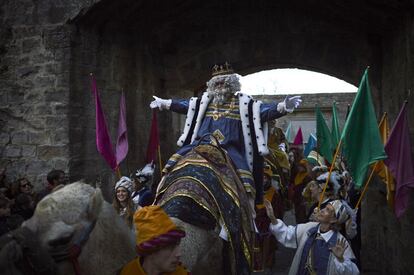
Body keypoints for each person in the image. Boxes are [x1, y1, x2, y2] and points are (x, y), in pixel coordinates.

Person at [150, 63, 302, 204]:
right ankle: (160, 199)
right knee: (173, 167)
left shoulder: (245, 104)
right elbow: (185, 105)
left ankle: (248, 215)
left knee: (245, 183)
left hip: (230, 150)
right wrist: (165, 103)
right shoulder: (204, 102)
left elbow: (262, 111)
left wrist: (282, 106)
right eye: (216, 83)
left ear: (231, 84)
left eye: (223, 82)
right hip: (200, 146)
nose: (220, 86)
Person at [265, 199, 359, 275]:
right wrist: (272, 217)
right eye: (325, 207)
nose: (322, 210)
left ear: (334, 219)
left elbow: (353, 272)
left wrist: (341, 259)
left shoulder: (340, 242)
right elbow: (287, 234)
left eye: (328, 210)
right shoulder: (309, 228)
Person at [120, 205, 189, 275]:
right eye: (170, 247)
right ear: (150, 250)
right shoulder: (128, 272)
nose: (179, 254)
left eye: (178, 244)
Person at [253, 164, 284, 271]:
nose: (263, 180)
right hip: (256, 226)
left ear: (269, 179)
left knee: (268, 249)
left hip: (268, 226)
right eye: (261, 178)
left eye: (265, 178)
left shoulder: (274, 194)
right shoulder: (254, 192)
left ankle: (268, 268)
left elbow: (279, 213)